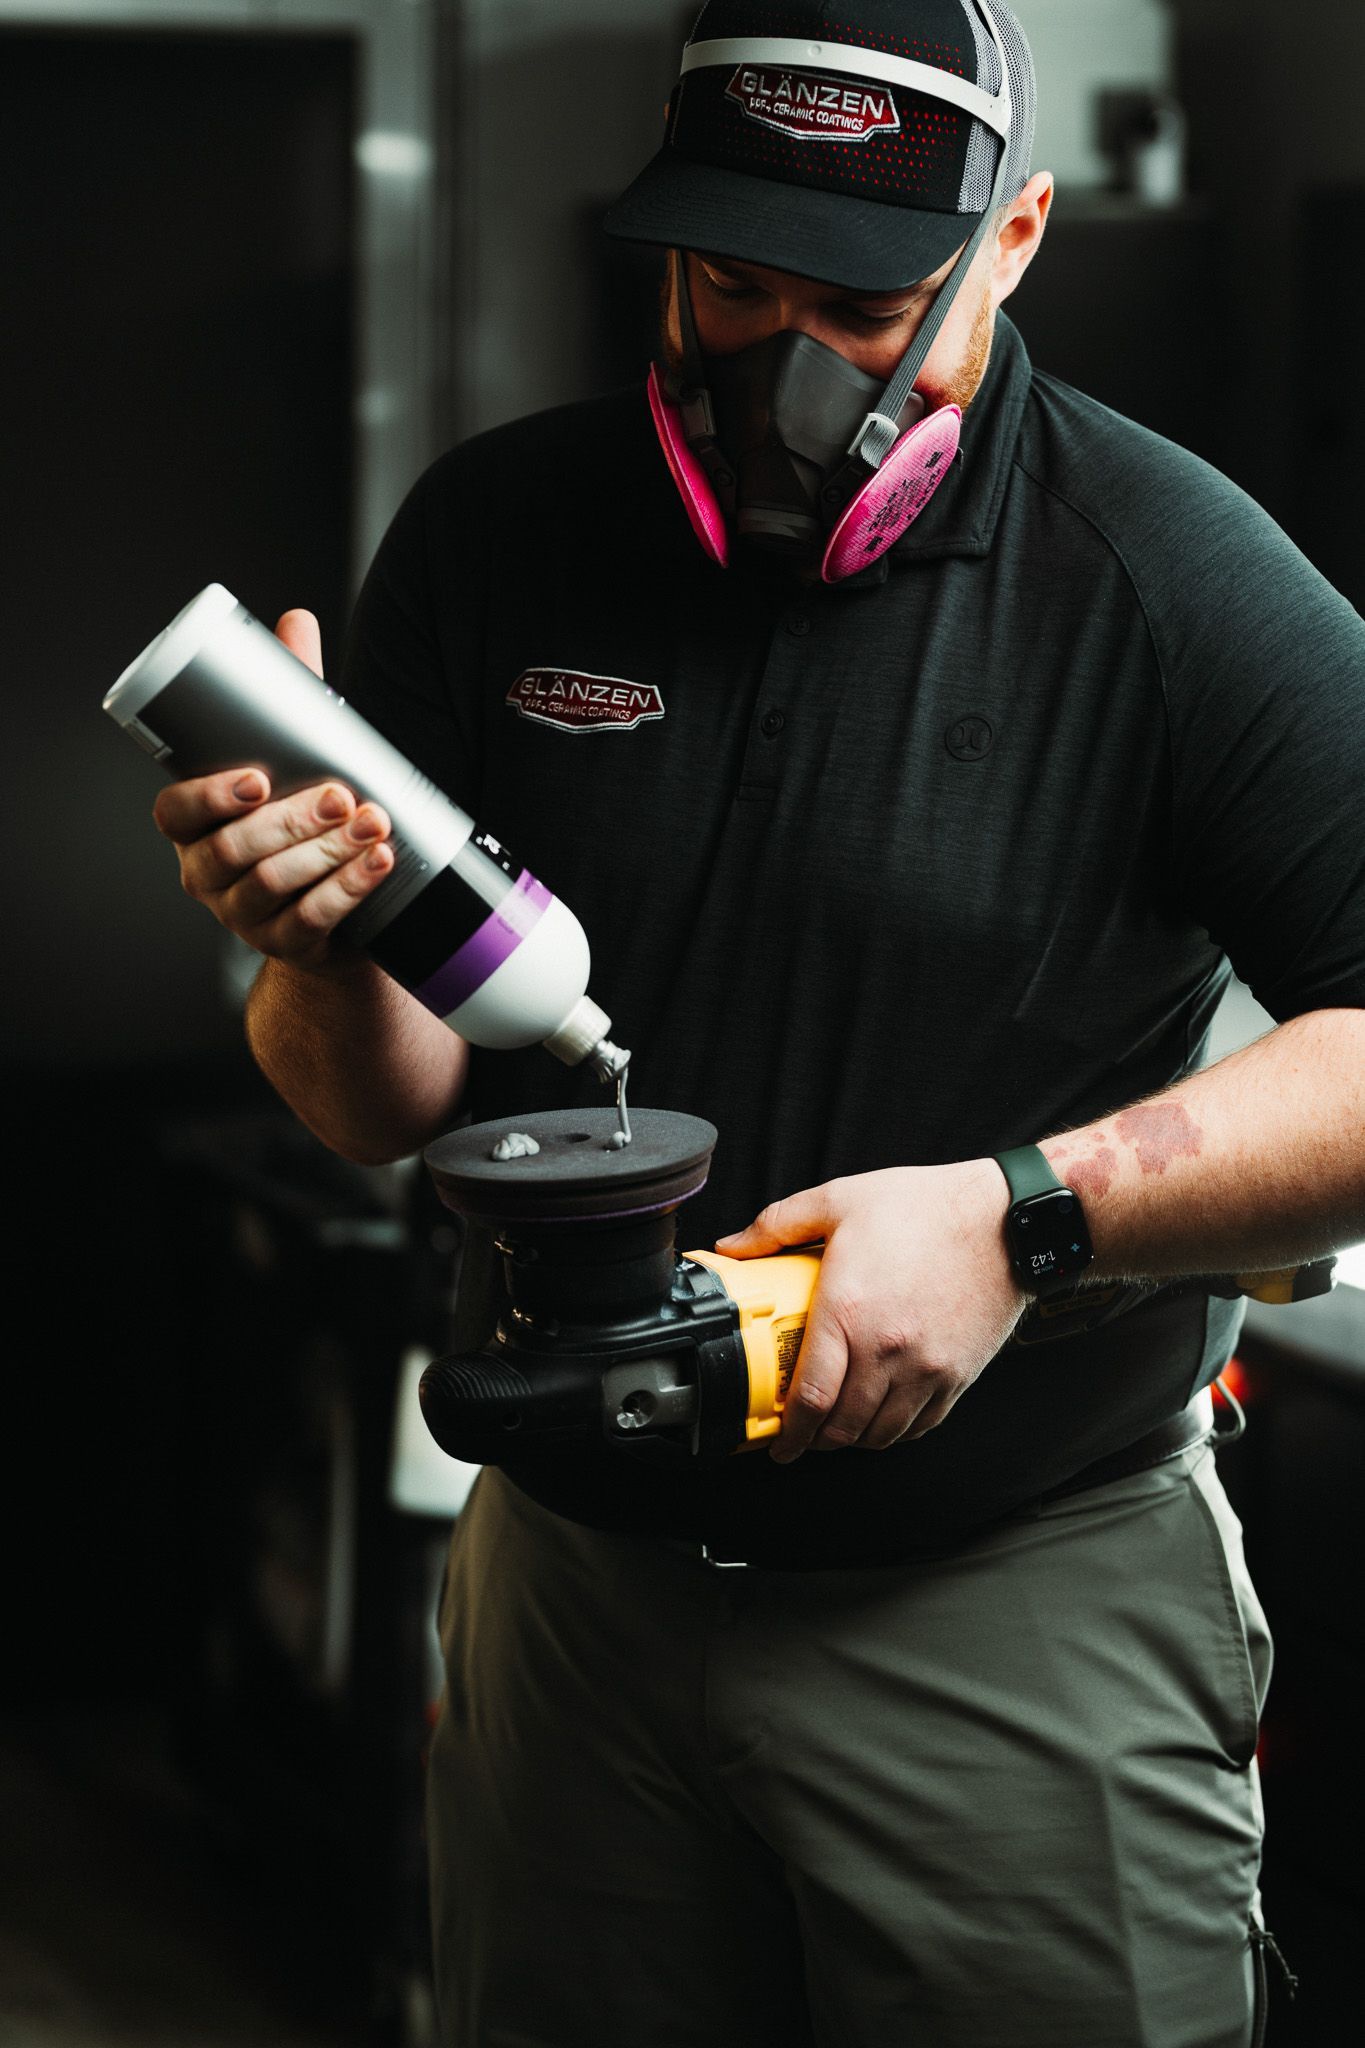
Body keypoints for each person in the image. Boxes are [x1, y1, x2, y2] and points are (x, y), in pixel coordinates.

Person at [153, 2, 1365, 2041]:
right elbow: (378, 1107)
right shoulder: (494, 537)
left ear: (1016, 238)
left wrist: (1021, 1217)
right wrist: (316, 942)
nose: (783, 364)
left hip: (1006, 1597)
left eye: (863, 302)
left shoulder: (1168, 584)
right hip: (573, 1602)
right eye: (730, 284)